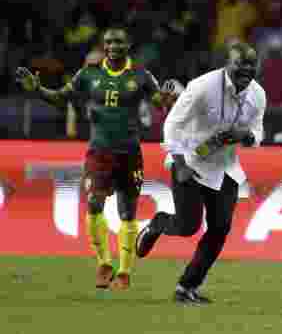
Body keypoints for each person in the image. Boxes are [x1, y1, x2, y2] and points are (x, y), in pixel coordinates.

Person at [15, 27, 180, 290]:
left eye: (119, 42)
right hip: (99, 152)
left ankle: (125, 272)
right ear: (104, 46)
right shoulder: (88, 74)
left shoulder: (141, 75)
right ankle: (104, 263)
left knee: (128, 212)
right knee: (93, 205)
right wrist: (38, 89)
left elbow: (160, 102)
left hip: (129, 153)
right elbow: (61, 99)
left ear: (128, 45)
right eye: (109, 42)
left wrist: (170, 100)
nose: (114, 46)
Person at [135, 43, 267, 305]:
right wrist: (180, 163)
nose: (247, 69)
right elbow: (172, 124)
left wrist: (247, 136)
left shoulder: (258, 95)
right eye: (241, 63)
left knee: (220, 228)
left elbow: (258, 133)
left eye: (252, 64)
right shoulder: (202, 86)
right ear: (227, 64)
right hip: (190, 161)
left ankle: (187, 287)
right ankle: (158, 223)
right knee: (188, 226)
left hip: (224, 167)